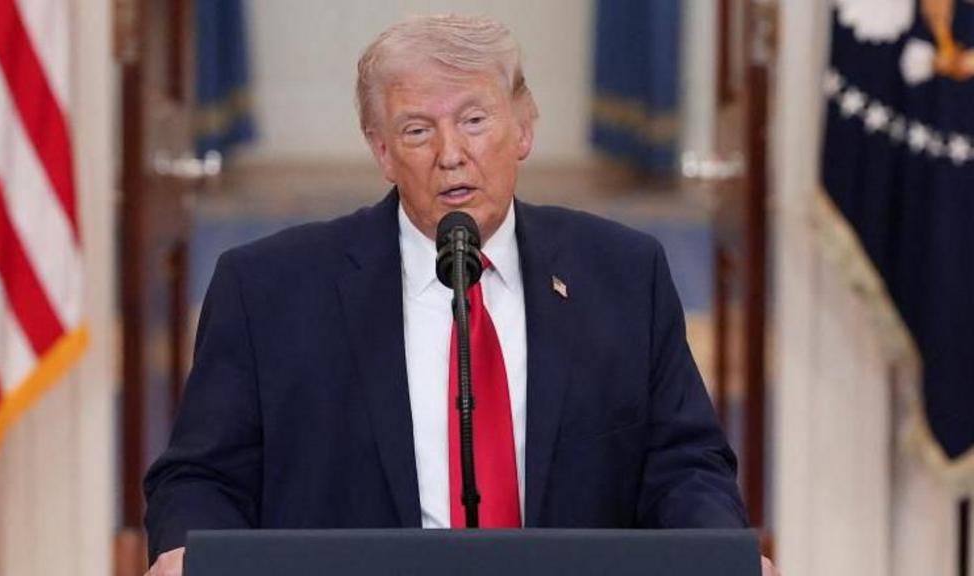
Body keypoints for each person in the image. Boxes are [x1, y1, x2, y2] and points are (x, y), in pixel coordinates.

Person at [144, 14, 778, 576]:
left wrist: (718, 552)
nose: (452, 155)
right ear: (383, 151)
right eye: (418, 131)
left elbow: (684, 464)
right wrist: (184, 553)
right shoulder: (268, 292)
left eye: (475, 121)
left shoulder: (623, 275)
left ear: (523, 129)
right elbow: (200, 478)